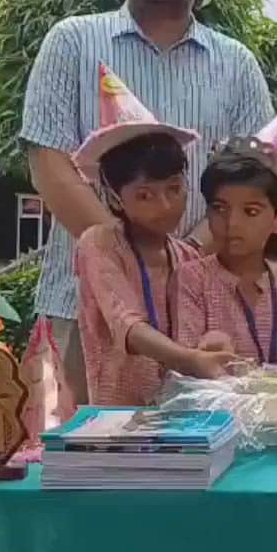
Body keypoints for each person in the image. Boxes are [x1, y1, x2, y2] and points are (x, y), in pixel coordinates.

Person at [18, 0, 274, 405]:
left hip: (204, 311)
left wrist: (182, 261)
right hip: (84, 308)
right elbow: (49, 162)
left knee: (204, 445)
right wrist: (124, 257)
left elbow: (251, 179)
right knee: (82, 445)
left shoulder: (237, 64)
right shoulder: (72, 42)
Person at [73, 65, 237, 405]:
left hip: (181, 415)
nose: (165, 206)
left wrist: (213, 342)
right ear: (115, 198)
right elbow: (127, 325)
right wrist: (189, 360)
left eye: (174, 189)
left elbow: (206, 326)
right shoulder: (100, 244)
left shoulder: (189, 257)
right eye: (145, 195)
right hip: (120, 418)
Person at [173, 110, 277, 366]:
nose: (232, 223)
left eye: (251, 212)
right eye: (220, 208)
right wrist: (204, 351)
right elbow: (186, 359)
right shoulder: (191, 280)